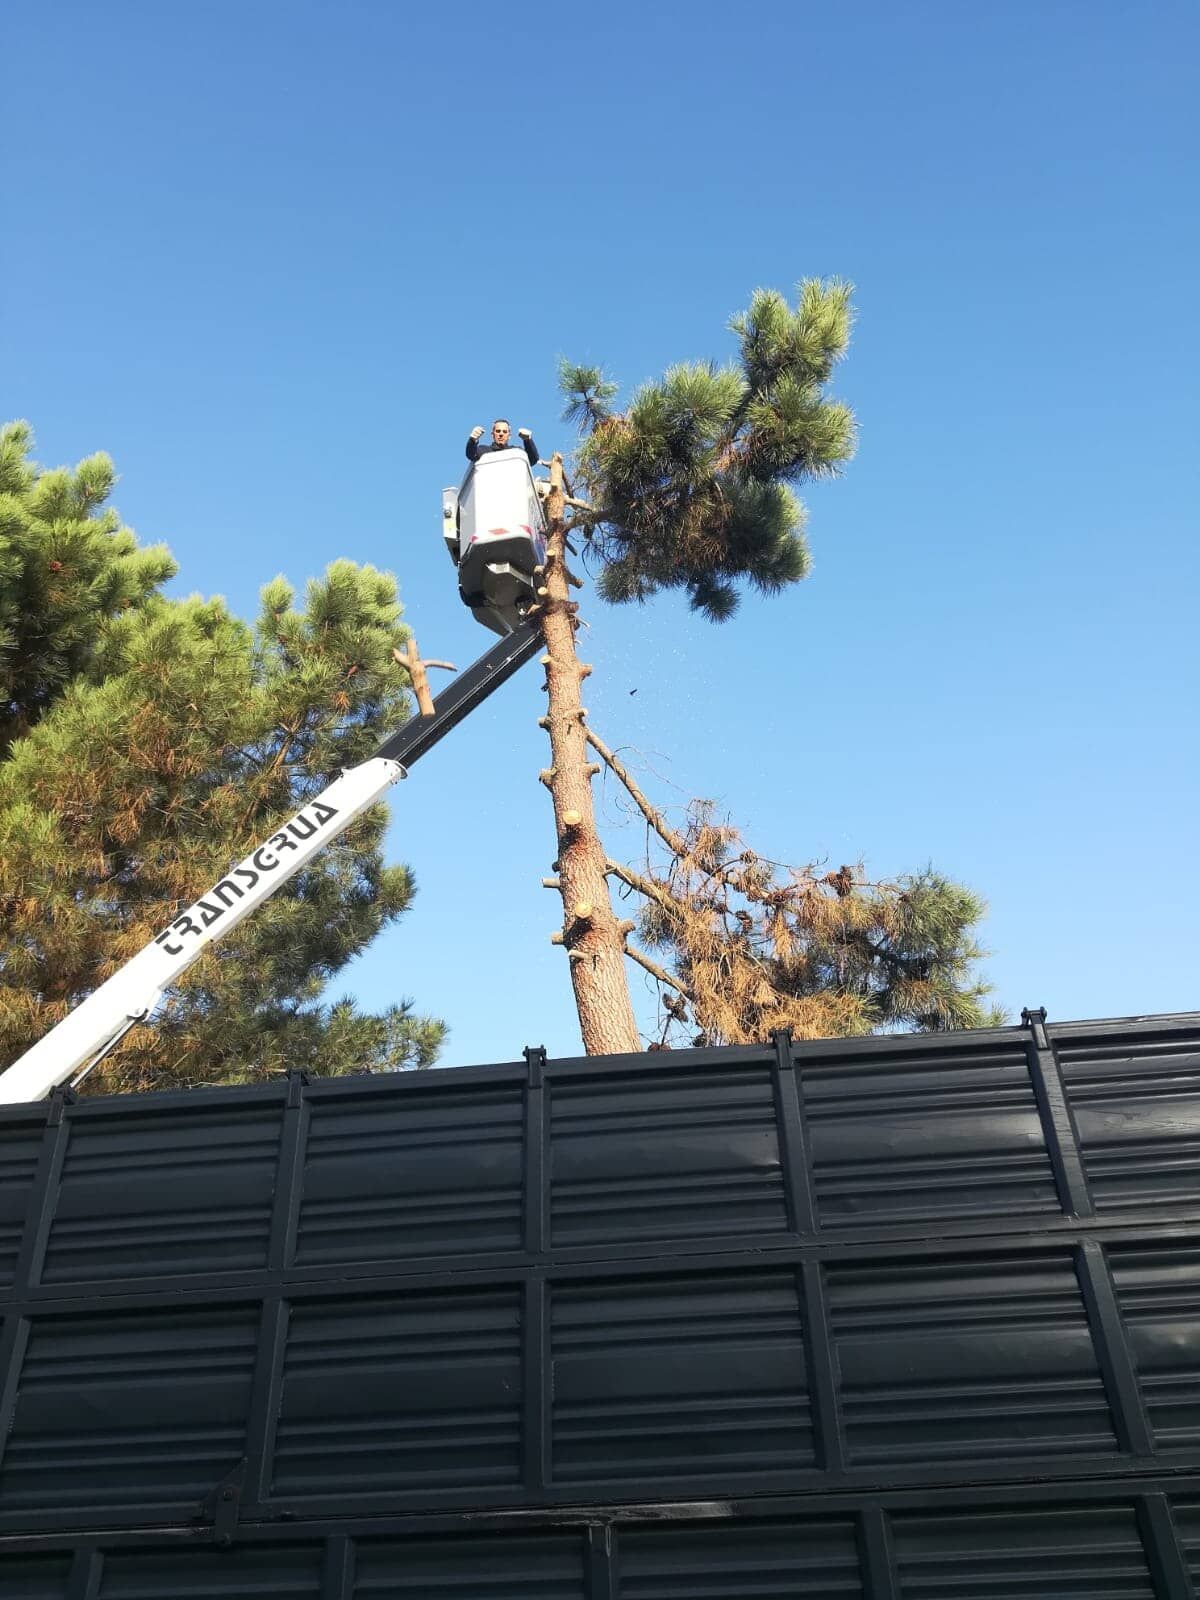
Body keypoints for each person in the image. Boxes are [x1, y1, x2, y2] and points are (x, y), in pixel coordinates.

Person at [465, 418, 539, 467]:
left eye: (504, 432)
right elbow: (471, 454)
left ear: (509, 435)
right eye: (498, 431)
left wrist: (528, 441)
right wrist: (473, 440)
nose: (501, 434)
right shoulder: (483, 451)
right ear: (492, 435)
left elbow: (532, 460)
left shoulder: (516, 452)